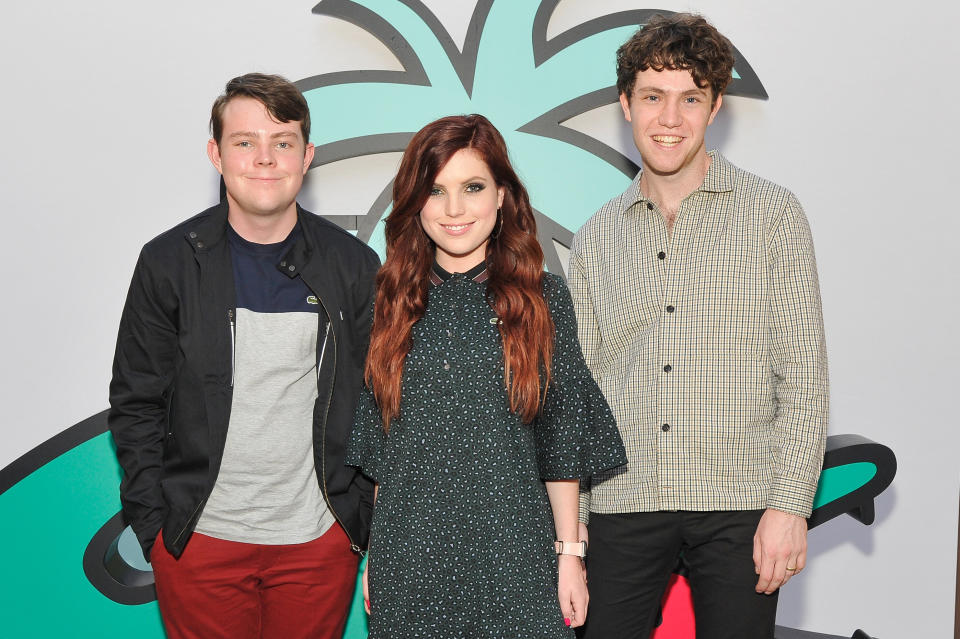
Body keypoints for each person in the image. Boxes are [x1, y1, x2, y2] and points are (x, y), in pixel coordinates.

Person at [569, 14, 829, 639]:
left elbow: (802, 371)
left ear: (714, 108)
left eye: (691, 99)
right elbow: (576, 391)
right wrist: (570, 524)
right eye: (653, 97)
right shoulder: (597, 234)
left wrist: (790, 506)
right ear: (625, 104)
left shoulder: (774, 215)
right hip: (622, 502)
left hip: (739, 501)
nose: (669, 119)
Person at [108, 73, 379, 639]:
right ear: (216, 153)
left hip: (316, 542)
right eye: (244, 141)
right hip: (199, 541)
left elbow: (380, 403)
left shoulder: (353, 266)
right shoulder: (168, 263)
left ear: (307, 157)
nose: (265, 158)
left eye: (282, 142)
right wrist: (154, 525)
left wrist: (355, 522)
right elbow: (136, 402)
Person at [346, 114, 627, 639]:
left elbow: (561, 440)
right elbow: (386, 447)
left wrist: (569, 554)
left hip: (515, 556)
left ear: (502, 195)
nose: (454, 209)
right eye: (436, 190)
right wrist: (376, 555)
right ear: (414, 202)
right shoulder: (389, 301)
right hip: (411, 558)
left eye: (472, 188)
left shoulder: (542, 299)